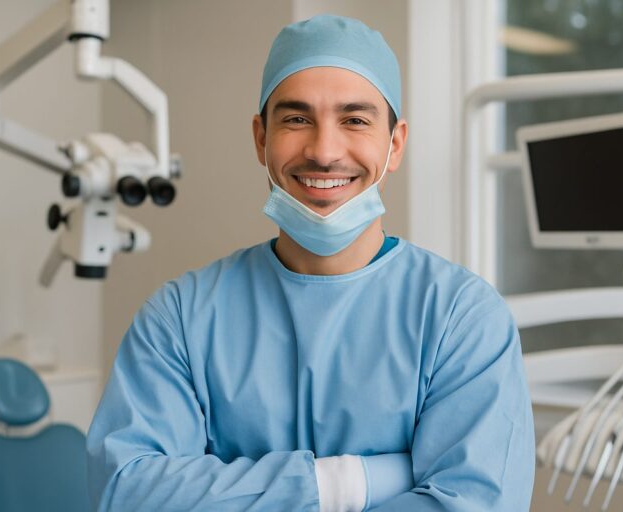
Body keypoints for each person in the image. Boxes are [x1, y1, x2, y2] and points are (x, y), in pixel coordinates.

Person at [87, 14, 535, 512]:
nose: (323, 151)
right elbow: (127, 492)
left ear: (395, 144)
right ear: (261, 139)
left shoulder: (460, 318)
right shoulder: (180, 318)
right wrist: (351, 482)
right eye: (297, 119)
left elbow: (472, 503)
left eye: (355, 120)